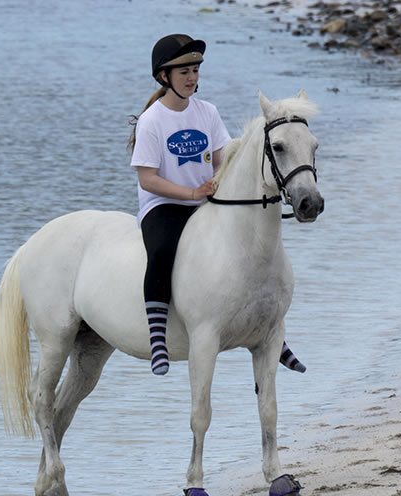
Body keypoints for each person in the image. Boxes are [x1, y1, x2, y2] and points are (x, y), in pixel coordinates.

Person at [129, 33, 306, 376]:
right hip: (164, 206)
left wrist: (225, 186)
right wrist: (191, 193)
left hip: (203, 202)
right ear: (164, 77)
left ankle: (271, 332)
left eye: (195, 70)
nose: (193, 77)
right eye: (184, 72)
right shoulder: (152, 120)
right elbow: (147, 179)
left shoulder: (207, 112)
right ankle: (157, 338)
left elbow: (224, 158)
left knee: (248, 245)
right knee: (163, 251)